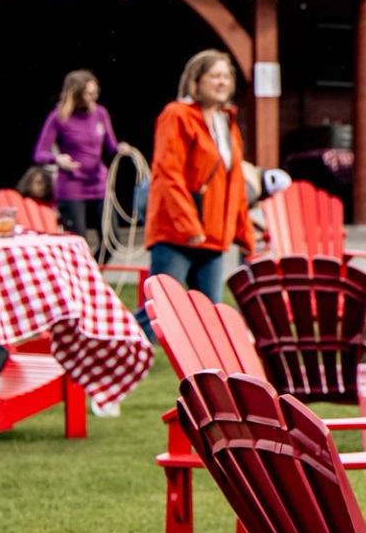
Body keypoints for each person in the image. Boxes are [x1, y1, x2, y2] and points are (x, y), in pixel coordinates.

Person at [138, 50, 255, 337]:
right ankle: (113, 353)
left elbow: (234, 181)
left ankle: (207, 376)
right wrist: (189, 225)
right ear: (196, 80)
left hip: (213, 237)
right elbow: (168, 173)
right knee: (161, 311)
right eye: (214, 75)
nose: (222, 82)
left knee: (209, 316)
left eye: (226, 76)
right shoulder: (177, 115)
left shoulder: (227, 121)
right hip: (178, 234)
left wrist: (243, 232)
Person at [33, 70, 121, 252]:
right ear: (76, 93)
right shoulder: (58, 117)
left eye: (95, 92)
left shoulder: (100, 113)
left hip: (98, 183)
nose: (94, 97)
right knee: (77, 243)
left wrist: (123, 149)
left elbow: (111, 147)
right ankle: (84, 276)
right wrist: (57, 159)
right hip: (71, 186)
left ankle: (94, 273)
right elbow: (39, 153)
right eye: (89, 93)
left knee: (112, 238)